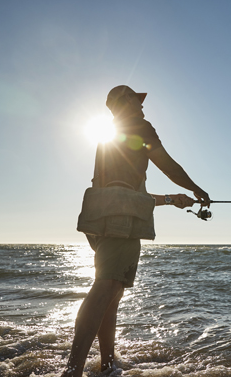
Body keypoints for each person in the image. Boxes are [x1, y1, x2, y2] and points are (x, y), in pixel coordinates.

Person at [62, 85, 210, 377]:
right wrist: (196, 188)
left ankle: (106, 365)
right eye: (136, 99)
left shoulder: (108, 137)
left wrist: (170, 199)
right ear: (122, 102)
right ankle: (72, 371)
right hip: (120, 221)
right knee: (106, 287)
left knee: (111, 292)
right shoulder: (139, 126)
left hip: (100, 221)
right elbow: (167, 165)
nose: (142, 105)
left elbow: (122, 193)